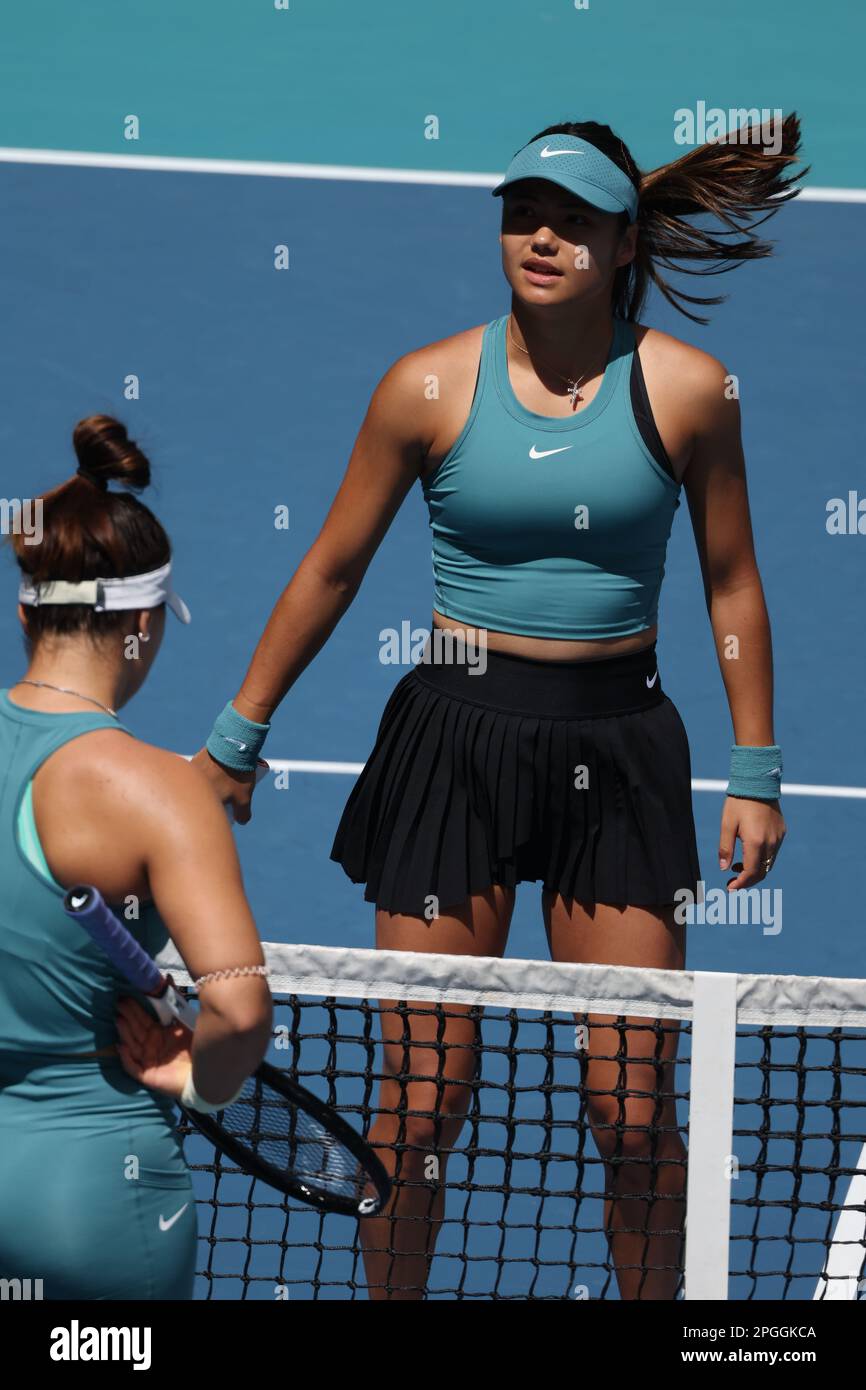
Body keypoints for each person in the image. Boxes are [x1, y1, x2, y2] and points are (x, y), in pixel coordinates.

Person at [195, 117, 797, 1299]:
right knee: (422, 1105)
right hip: (451, 748)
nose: (542, 235)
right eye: (525, 212)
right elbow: (330, 567)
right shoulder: (422, 388)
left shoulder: (685, 391)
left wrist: (756, 766)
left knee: (629, 1113)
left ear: (624, 243)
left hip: (619, 754)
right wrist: (236, 735)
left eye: (574, 218)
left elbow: (733, 578)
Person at [0, 415, 272, 1299]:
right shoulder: (162, 793)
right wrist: (199, 1084)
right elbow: (238, 1014)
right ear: (145, 623)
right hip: (86, 1196)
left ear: (24, 607)